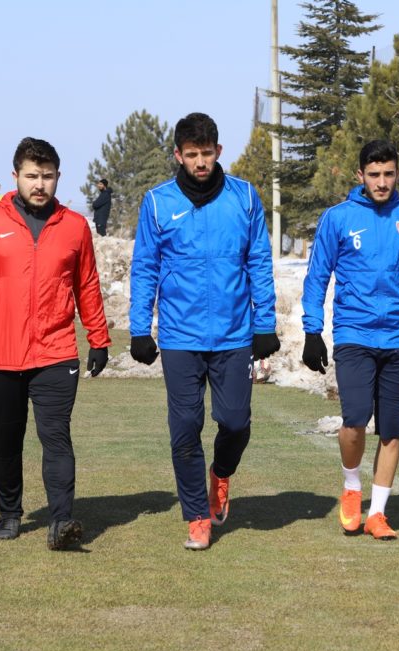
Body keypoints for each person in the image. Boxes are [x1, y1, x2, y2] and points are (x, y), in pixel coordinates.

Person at [0, 137, 110, 551]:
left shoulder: (74, 227)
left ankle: (61, 521)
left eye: (47, 176)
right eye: (32, 176)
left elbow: (87, 285)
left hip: (56, 351)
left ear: (58, 178)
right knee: (6, 438)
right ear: (15, 175)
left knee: (56, 436)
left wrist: (98, 338)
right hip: (2, 353)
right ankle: (9, 513)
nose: (40, 184)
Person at [129, 112, 280, 550]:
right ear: (178, 154)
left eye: (207, 153)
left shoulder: (244, 197)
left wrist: (265, 323)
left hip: (235, 334)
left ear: (218, 152)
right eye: (192, 154)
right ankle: (197, 516)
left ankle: (221, 474)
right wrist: (140, 329)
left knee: (235, 422)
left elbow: (259, 262)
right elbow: (145, 267)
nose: (200, 162)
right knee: (184, 427)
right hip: (180, 336)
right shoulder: (158, 202)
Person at [300, 139, 399, 541]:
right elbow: (317, 276)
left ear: (397, 174)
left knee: (392, 430)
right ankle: (351, 485)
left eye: (389, 174)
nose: (382, 182)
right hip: (354, 333)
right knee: (355, 421)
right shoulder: (338, 218)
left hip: (397, 336)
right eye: (374, 174)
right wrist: (312, 330)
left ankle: (377, 514)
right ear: (360, 175)